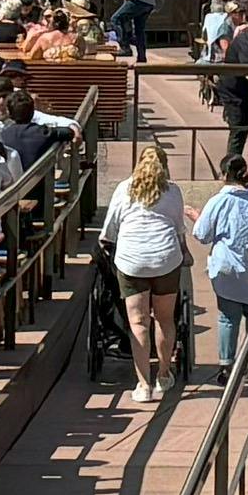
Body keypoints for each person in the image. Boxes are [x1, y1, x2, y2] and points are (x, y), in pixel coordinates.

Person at [107, 146, 193, 398]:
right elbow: (179, 227)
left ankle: (143, 385)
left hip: (132, 259)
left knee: (138, 322)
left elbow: (111, 226)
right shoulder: (173, 190)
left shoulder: (124, 188)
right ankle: (164, 374)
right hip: (165, 257)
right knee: (164, 319)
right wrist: (184, 252)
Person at [192, 156, 248, 374]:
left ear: (223, 175)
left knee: (227, 317)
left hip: (229, 270)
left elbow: (202, 234)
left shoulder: (219, 201)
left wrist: (194, 216)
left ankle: (226, 365)